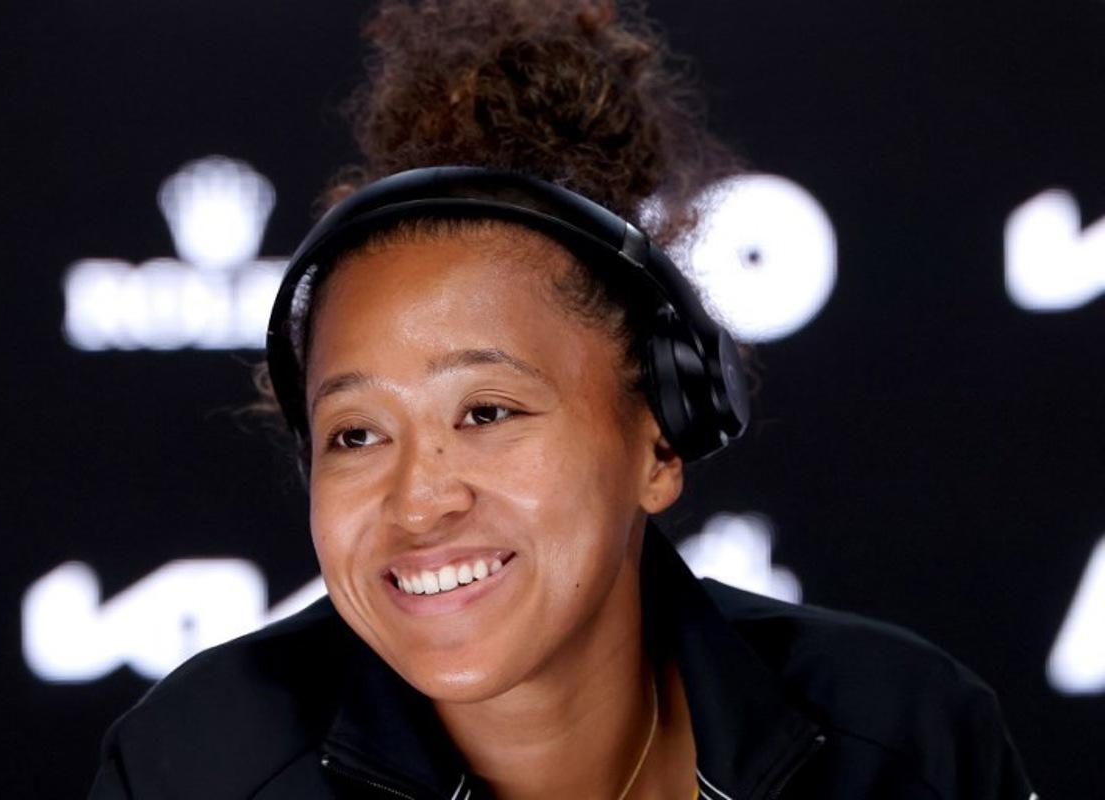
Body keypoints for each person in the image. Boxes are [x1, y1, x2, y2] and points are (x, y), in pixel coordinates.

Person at [89, 1, 1037, 798]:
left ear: (661, 441)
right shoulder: (193, 769)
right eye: (357, 433)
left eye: (487, 413)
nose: (419, 501)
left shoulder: (910, 741)